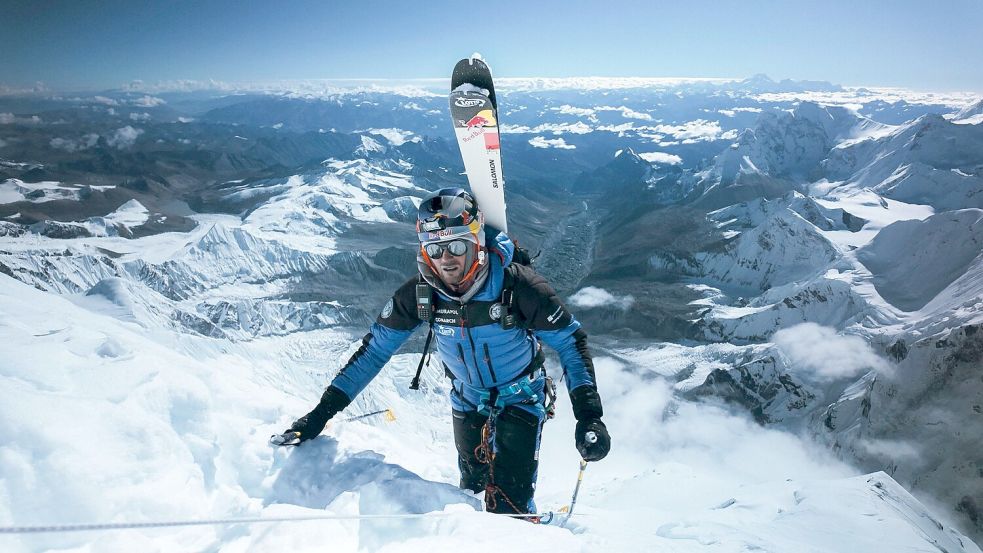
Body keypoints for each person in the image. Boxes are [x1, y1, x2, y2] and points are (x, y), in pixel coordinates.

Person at [281, 187, 610, 515]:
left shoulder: (517, 286)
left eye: (456, 245)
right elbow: (374, 352)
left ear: (477, 243)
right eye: (435, 250)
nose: (446, 259)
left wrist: (589, 415)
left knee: (509, 511)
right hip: (467, 400)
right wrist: (320, 415)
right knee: (471, 492)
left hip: (520, 398)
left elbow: (570, 342)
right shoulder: (422, 294)